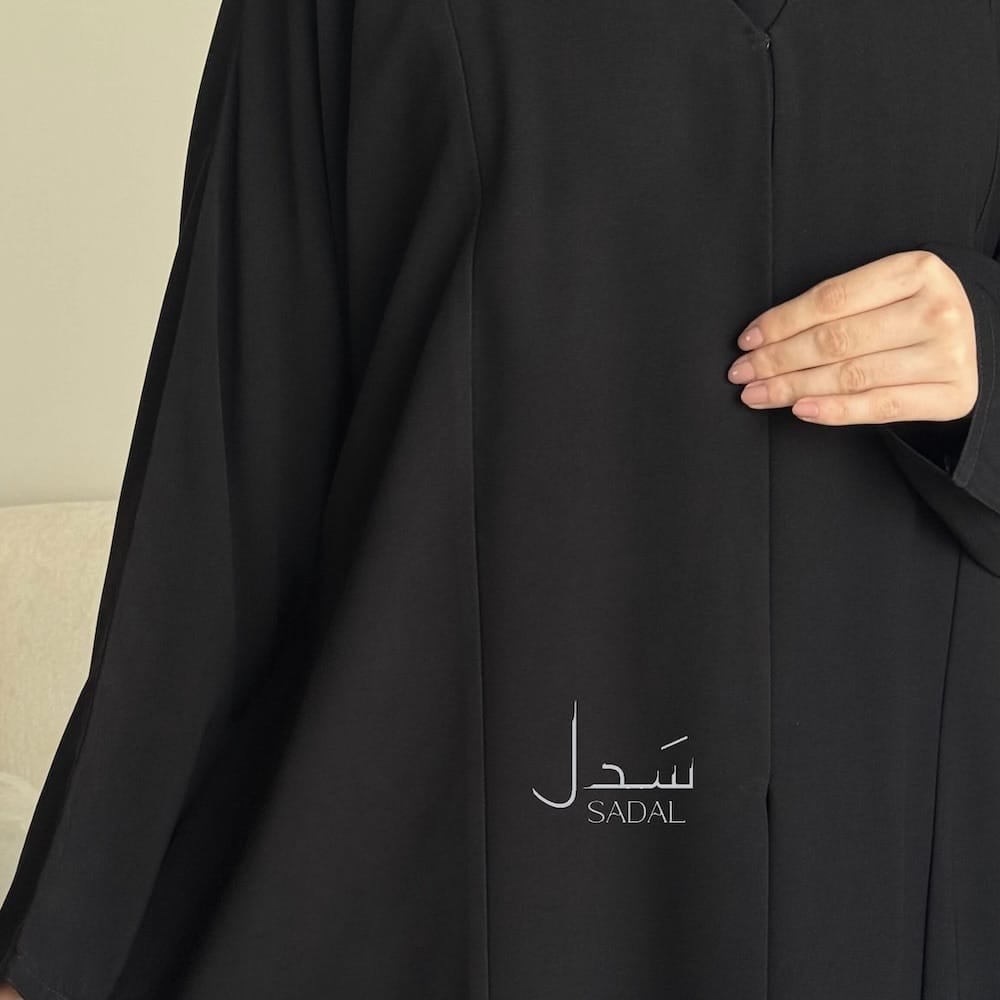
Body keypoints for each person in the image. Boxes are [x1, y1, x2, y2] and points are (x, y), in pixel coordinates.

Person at [3, 0, 1000, 996]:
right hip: (473, 854)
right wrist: (62, 949)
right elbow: (221, 475)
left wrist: (982, 344)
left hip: (901, 823)